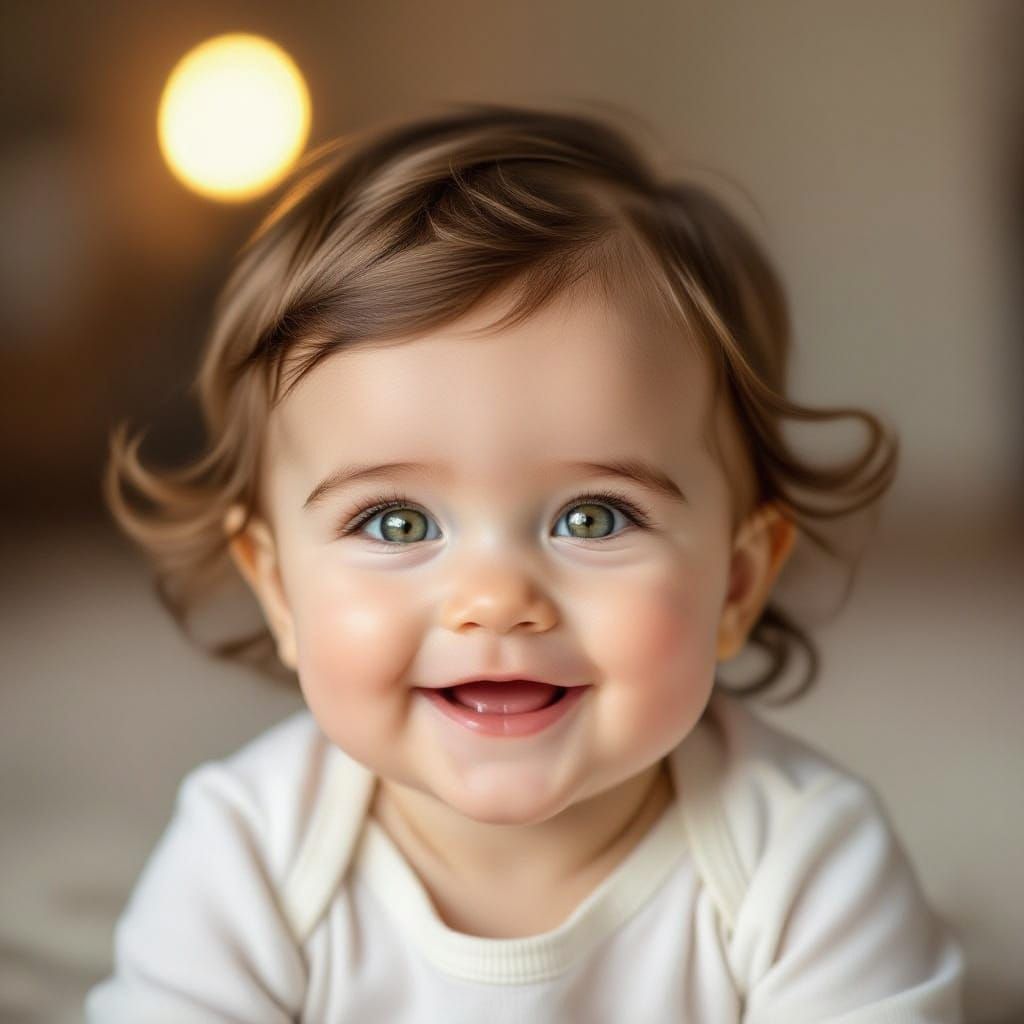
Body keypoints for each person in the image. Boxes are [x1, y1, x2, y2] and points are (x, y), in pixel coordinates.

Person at [85, 101, 964, 1022]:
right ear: (279, 591)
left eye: (592, 517)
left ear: (737, 583)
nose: (496, 601)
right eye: (393, 522)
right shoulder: (248, 857)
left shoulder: (806, 864)